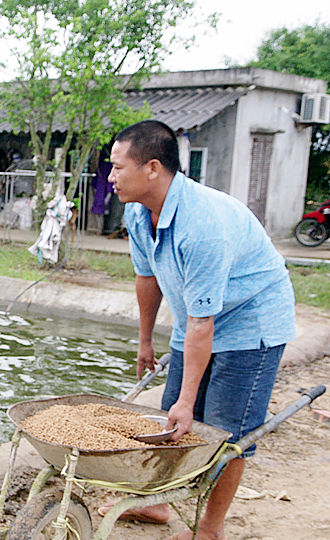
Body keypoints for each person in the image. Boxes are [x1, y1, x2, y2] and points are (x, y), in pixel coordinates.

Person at [100, 120, 296, 540]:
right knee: (167, 419)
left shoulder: (201, 224)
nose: (111, 177)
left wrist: (189, 401)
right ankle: (155, 502)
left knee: (227, 430)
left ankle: (210, 528)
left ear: (152, 168)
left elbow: (203, 323)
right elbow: (146, 277)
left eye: (118, 167)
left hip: (250, 322)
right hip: (198, 316)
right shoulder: (137, 212)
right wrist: (145, 340)